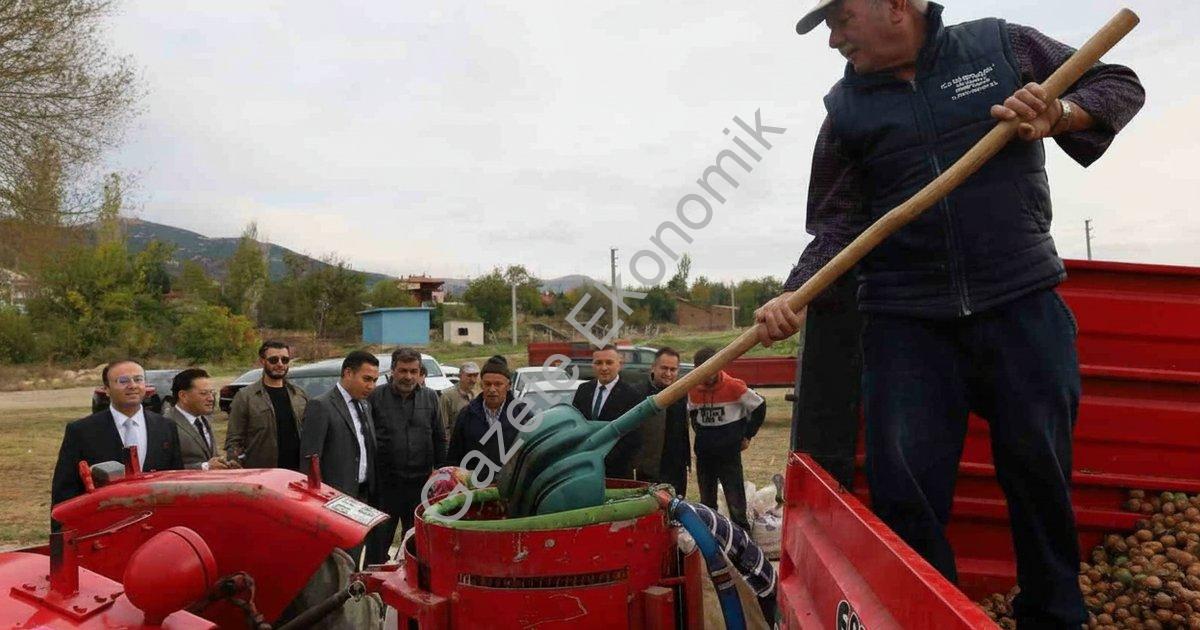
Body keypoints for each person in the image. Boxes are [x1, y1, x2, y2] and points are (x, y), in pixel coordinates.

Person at [757, 1, 1145, 625]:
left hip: (1020, 303)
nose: (832, 40)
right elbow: (836, 223)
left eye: (841, 20)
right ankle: (935, 615)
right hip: (904, 322)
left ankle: (1054, 615)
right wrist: (794, 293)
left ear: (895, 6)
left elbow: (1118, 83)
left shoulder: (1000, 47)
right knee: (904, 489)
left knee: (1040, 476)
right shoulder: (845, 109)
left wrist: (1059, 113)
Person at [51, 360, 184, 509]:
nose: (132, 385)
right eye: (123, 381)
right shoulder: (81, 431)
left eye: (138, 380)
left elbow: (177, 480)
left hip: (157, 521)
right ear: (106, 389)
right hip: (106, 522)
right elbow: (64, 490)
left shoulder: (165, 427)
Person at [366, 348, 447, 564]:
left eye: (413, 371)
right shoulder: (375, 397)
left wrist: (441, 475)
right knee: (378, 545)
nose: (408, 376)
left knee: (417, 546)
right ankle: (373, 594)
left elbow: (439, 437)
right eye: (403, 371)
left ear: (420, 371)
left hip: (420, 486)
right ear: (393, 370)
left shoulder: (430, 398)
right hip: (385, 487)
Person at [688, 347, 765, 532]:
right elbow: (693, 414)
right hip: (705, 454)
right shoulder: (692, 389)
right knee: (707, 502)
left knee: (736, 503)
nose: (707, 375)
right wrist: (701, 434)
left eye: (712, 368)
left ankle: (744, 543)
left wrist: (747, 435)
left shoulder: (734, 386)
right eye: (703, 370)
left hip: (729, 454)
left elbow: (760, 407)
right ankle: (712, 538)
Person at [299, 351, 379, 502]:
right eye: (367, 379)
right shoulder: (321, 405)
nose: (371, 386)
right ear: (348, 373)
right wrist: (318, 498)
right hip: (334, 497)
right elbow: (310, 460)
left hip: (365, 495)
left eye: (375, 380)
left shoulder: (365, 405)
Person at [225, 341, 308, 470]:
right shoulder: (245, 397)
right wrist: (235, 465)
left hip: (297, 473)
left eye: (285, 360)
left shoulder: (299, 395)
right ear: (262, 361)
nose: (280, 364)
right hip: (262, 475)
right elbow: (234, 439)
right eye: (274, 360)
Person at [570, 345, 642, 479]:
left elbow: (634, 437)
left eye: (609, 362)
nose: (603, 368)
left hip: (616, 471)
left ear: (619, 364)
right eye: (598, 363)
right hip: (584, 469)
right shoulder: (583, 390)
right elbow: (576, 427)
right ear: (592, 365)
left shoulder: (632, 395)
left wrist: (602, 457)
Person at [446, 359, 528, 468]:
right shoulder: (467, 414)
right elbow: (454, 456)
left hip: (511, 482)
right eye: (488, 384)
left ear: (508, 386)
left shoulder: (522, 414)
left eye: (498, 384)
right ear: (481, 385)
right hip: (474, 482)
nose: (492, 389)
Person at [634, 347, 690, 497]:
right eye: (664, 368)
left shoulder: (681, 395)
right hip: (647, 470)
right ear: (653, 368)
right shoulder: (637, 393)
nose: (668, 373)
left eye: (673, 369)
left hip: (676, 469)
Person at [168, 368, 238, 470]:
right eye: (204, 393)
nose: (211, 398)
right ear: (183, 395)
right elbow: (163, 468)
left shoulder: (204, 420)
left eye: (212, 393)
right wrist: (204, 467)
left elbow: (210, 458)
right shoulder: (166, 425)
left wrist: (224, 465)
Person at [439, 361, 479, 433]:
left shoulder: (478, 395)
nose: (473, 380)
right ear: (460, 376)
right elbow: (443, 426)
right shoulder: (447, 396)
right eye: (469, 376)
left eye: (475, 376)